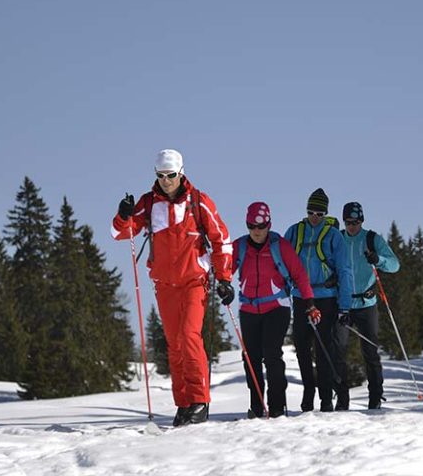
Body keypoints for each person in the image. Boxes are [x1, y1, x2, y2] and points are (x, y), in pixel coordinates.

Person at [111, 149, 234, 426]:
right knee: (175, 345)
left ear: (181, 172)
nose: (166, 181)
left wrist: (224, 277)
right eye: (161, 176)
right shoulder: (148, 203)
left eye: (171, 175)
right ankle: (184, 404)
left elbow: (221, 239)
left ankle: (200, 400)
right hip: (165, 284)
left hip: (194, 281)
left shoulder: (199, 202)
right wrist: (123, 215)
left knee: (190, 337)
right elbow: (120, 233)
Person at [232, 201, 318, 418]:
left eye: (261, 227)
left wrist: (309, 302)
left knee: (271, 354)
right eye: (252, 226)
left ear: (269, 225)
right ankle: (257, 406)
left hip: (276, 307)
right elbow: (224, 268)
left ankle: (277, 406)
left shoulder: (280, 246)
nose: (257, 231)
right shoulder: (239, 246)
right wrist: (222, 283)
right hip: (248, 308)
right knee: (250, 358)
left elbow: (299, 274)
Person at [284, 188, 353, 412]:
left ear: (326, 214)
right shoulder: (294, 232)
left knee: (324, 350)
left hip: (326, 298)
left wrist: (344, 306)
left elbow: (345, 271)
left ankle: (325, 398)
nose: (315, 217)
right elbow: (282, 263)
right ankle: (308, 393)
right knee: (302, 347)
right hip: (300, 297)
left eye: (320, 213)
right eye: (311, 212)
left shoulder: (334, 236)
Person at [334, 201, 400, 410]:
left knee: (370, 352)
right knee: (338, 351)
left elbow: (395, 265)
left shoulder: (371, 239)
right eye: (348, 222)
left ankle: (375, 398)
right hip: (343, 303)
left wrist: (377, 259)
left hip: (366, 303)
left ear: (361, 221)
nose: (352, 226)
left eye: (356, 222)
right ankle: (342, 399)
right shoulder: (339, 239)